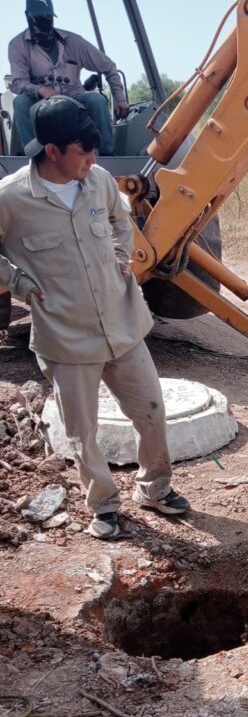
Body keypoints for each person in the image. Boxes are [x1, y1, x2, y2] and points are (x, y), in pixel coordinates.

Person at [0, 96, 189, 539]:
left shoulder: (99, 181)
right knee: (82, 430)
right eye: (82, 152)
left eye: (94, 150)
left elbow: (121, 222)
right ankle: (103, 505)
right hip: (65, 336)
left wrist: (122, 255)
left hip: (121, 324)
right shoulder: (11, 198)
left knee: (151, 410)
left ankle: (156, 488)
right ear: (52, 152)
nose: (92, 159)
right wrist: (20, 284)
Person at [8, 0, 130, 156]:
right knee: (20, 102)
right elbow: (17, 82)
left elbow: (108, 66)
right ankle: (36, 159)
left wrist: (120, 98)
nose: (44, 21)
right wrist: (39, 90)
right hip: (41, 103)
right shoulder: (18, 45)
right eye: (38, 17)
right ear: (28, 17)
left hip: (74, 99)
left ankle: (107, 156)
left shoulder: (74, 42)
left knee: (97, 99)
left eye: (48, 16)